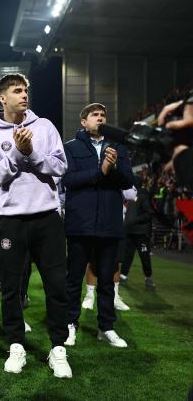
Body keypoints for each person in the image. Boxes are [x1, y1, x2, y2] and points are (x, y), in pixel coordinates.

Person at [0, 74, 72, 378]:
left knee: (56, 285)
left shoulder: (44, 127)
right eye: (17, 91)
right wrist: (17, 155)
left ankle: (58, 349)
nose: (24, 94)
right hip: (11, 220)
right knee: (11, 288)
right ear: (2, 98)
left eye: (26, 90)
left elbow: (60, 166)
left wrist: (32, 153)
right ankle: (16, 345)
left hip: (46, 218)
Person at [62, 103, 134, 349]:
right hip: (79, 224)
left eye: (103, 116)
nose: (100, 118)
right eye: (95, 115)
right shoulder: (69, 148)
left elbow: (128, 181)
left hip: (109, 224)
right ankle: (70, 324)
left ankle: (106, 327)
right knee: (73, 280)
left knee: (106, 280)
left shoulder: (119, 148)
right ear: (83, 122)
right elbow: (68, 179)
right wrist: (100, 169)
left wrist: (112, 169)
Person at [120, 180, 156, 287]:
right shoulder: (127, 194)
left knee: (144, 256)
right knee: (127, 255)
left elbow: (148, 213)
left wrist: (135, 219)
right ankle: (123, 275)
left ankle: (148, 277)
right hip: (130, 231)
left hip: (141, 233)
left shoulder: (142, 196)